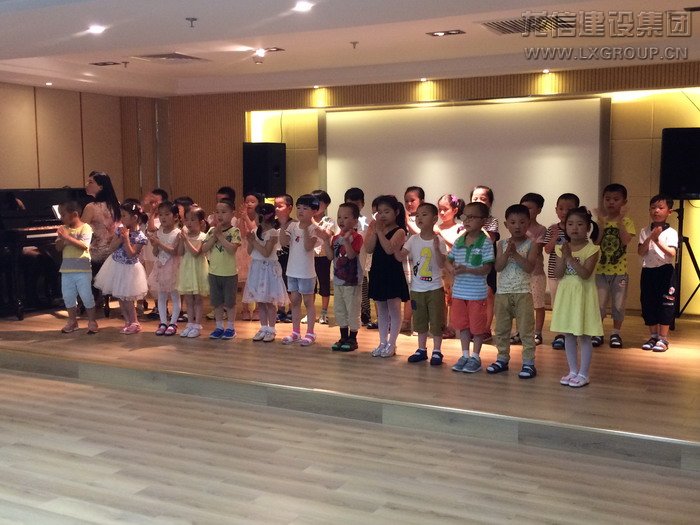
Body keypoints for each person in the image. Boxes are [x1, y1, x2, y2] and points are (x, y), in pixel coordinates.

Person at [551, 207, 603, 388]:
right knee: (569, 334)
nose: (574, 228)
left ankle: (584, 373)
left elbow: (585, 274)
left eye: (580, 224)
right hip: (566, 295)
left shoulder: (592, 249)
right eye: (570, 224)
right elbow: (558, 274)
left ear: (588, 227)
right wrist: (563, 255)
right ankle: (573, 370)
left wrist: (570, 257)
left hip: (583, 295)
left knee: (584, 336)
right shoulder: (561, 248)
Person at [488, 204, 539, 379]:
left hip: (523, 293)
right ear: (506, 224)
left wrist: (515, 254)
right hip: (502, 293)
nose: (517, 226)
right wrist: (507, 252)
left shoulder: (532, 244)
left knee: (526, 330)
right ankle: (502, 359)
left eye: (522, 222)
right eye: (513, 222)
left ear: (528, 223)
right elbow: (498, 267)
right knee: (501, 329)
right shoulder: (501, 243)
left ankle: (529, 363)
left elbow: (529, 267)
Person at [448, 202, 495, 373]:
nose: (467, 220)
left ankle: (475, 357)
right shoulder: (459, 241)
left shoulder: (486, 243)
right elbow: (448, 259)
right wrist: (451, 269)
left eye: (472, 217)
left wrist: (467, 269)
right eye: (465, 216)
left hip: (476, 294)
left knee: (477, 327)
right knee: (463, 325)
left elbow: (487, 268)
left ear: (483, 221)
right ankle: (465, 355)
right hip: (459, 292)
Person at [401, 203, 447, 365]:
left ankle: (437, 351)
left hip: (435, 288)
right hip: (417, 289)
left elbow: (442, 264)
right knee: (419, 321)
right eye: (417, 215)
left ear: (434, 219)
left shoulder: (439, 240)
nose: (419, 218)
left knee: (436, 321)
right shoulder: (413, 239)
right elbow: (400, 255)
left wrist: (437, 249)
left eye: (424, 214)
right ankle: (421, 349)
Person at [93, 202, 149, 334]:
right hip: (116, 266)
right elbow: (111, 248)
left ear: (134, 218)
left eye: (124, 216)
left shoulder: (140, 237)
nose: (121, 219)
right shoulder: (120, 230)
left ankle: (135, 322)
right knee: (120, 296)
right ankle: (127, 321)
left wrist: (126, 239)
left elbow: (131, 254)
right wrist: (120, 238)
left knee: (127, 297)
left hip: (129, 269)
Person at [366, 195, 410, 358]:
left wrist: (378, 231)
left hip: (392, 272)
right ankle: (382, 342)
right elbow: (368, 248)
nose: (382, 215)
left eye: (387, 211)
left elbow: (389, 249)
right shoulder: (376, 227)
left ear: (396, 212)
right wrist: (373, 230)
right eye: (379, 212)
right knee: (381, 310)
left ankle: (392, 343)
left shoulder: (400, 231)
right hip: (377, 271)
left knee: (394, 309)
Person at [594, 183, 636, 348]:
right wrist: (601, 223)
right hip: (601, 270)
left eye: (616, 199)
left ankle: (615, 333)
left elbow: (625, 241)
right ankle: (597, 333)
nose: (611, 202)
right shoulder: (600, 221)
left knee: (618, 305)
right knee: (599, 305)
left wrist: (619, 222)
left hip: (620, 272)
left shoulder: (627, 221)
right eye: (607, 199)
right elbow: (596, 242)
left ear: (624, 202)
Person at [243, 203, 288, 343]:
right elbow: (249, 252)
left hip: (268, 269)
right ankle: (263, 327)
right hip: (257, 267)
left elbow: (266, 252)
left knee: (269, 301)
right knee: (260, 301)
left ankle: (271, 329)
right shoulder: (256, 231)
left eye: (256, 215)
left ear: (264, 216)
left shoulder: (273, 233)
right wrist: (250, 241)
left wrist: (253, 241)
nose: (254, 218)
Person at [280, 194, 322, 346]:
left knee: (309, 302)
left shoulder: (315, 229)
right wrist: (283, 225)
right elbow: (284, 242)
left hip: (306, 272)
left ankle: (310, 332)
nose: (300, 211)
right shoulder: (292, 226)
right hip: (292, 270)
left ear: (314, 211)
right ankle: (295, 331)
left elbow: (308, 247)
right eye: (298, 208)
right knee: (295, 302)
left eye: (305, 208)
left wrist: (305, 228)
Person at [638, 195, 678, 352]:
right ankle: (653, 336)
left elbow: (671, 253)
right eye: (653, 207)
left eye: (661, 208)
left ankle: (663, 338)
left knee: (666, 304)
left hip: (665, 272)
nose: (656, 211)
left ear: (669, 211)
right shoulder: (644, 231)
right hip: (648, 271)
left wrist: (656, 240)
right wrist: (650, 237)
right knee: (648, 303)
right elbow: (641, 252)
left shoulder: (672, 232)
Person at [323, 202, 363, 351]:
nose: (341, 220)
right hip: (338, 281)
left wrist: (346, 241)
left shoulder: (357, 237)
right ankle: (343, 336)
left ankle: (353, 338)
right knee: (339, 309)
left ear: (355, 220)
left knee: (352, 310)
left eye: (346, 217)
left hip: (352, 282)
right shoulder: (335, 238)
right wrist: (325, 240)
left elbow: (352, 255)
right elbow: (329, 257)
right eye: (339, 217)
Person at [543, 193, 580, 349]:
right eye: (561, 208)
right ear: (556, 209)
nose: (564, 212)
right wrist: (555, 237)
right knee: (557, 303)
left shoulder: (578, 228)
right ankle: (560, 333)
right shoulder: (552, 229)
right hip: (554, 273)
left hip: (572, 274)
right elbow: (547, 249)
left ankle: (572, 332)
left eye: (569, 209)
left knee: (572, 303)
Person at [55, 201, 98, 334]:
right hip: (67, 269)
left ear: (74, 214)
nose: (61, 218)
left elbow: (84, 245)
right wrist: (62, 239)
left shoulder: (85, 228)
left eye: (63, 214)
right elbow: (58, 248)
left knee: (86, 295)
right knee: (68, 296)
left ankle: (92, 321)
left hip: (82, 269)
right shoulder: (64, 229)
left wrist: (67, 237)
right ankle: (72, 321)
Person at [202, 199, 241, 340]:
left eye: (224, 212)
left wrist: (220, 236)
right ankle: (219, 327)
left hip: (229, 273)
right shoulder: (211, 230)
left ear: (232, 214)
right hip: (214, 272)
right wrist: (215, 236)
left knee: (230, 303)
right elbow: (204, 248)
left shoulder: (235, 231)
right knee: (217, 302)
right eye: (217, 212)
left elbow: (232, 250)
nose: (220, 215)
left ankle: (230, 328)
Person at [82, 171, 120, 309]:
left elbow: (81, 231)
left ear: (101, 187)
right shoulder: (116, 204)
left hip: (99, 252)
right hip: (116, 249)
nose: (86, 184)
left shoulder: (91, 207)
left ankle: (89, 297)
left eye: (91, 182)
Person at [146, 201, 182, 336]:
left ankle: (173, 322)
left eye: (167, 214)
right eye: (160, 215)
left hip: (173, 267)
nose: (163, 217)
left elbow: (174, 251)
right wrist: (155, 244)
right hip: (160, 267)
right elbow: (155, 253)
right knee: (161, 295)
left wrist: (159, 243)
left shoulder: (178, 233)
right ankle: (163, 322)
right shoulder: (158, 232)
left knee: (175, 295)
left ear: (175, 216)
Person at [469, 185, 499, 342]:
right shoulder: (467, 221)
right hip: (471, 262)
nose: (479, 201)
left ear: (490, 203)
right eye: (475, 198)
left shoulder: (492, 221)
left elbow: (489, 240)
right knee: (473, 295)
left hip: (487, 262)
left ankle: (486, 328)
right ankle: (474, 326)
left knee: (488, 294)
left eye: (483, 199)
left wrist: (478, 225)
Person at [517, 192, 547, 345]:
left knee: (538, 304)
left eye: (530, 208)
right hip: (519, 272)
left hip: (536, 273)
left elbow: (538, 248)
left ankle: (537, 332)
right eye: (523, 207)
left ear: (539, 210)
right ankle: (520, 331)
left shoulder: (541, 229)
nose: (526, 211)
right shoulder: (517, 227)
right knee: (520, 304)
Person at [176, 206, 209, 338]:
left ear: (201, 222)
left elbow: (196, 253)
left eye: (193, 220)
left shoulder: (203, 236)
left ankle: (197, 325)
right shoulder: (184, 236)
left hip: (198, 268)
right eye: (187, 220)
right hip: (186, 269)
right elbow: (180, 252)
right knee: (189, 299)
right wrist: (181, 240)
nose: (189, 223)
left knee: (198, 299)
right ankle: (190, 324)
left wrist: (186, 240)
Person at [436, 193, 465, 339]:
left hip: (453, 266)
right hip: (439, 266)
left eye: (445, 209)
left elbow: (456, 245)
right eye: (439, 209)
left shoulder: (460, 228)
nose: (441, 212)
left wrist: (440, 233)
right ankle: (441, 326)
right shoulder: (436, 227)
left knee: (452, 297)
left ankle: (452, 326)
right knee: (440, 296)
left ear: (455, 210)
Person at [344, 187, 373, 327]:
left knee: (362, 288)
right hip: (346, 261)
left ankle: (365, 314)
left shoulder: (365, 221)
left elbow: (365, 240)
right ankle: (348, 315)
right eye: (350, 203)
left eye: (356, 203)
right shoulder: (343, 220)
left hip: (361, 259)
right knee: (348, 290)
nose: (354, 207)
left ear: (362, 204)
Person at [309, 189, 337, 325]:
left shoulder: (329, 221)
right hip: (309, 256)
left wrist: (312, 222)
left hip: (324, 256)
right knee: (310, 285)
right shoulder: (307, 220)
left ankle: (324, 313)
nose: (316, 205)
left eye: (319, 202)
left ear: (326, 205)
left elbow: (326, 235)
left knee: (324, 284)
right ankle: (310, 312)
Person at [401, 186, 425, 332]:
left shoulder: (423, 218)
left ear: (421, 201)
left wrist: (407, 221)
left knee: (417, 291)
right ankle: (406, 320)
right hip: (405, 260)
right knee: (408, 291)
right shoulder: (404, 219)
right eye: (406, 201)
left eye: (412, 200)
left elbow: (420, 234)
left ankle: (418, 323)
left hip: (420, 260)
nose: (409, 204)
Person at [239, 191, 263, 321]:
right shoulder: (240, 219)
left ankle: (258, 309)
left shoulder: (260, 218)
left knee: (258, 281)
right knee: (244, 283)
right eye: (247, 201)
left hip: (256, 251)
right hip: (244, 252)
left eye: (252, 202)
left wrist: (246, 218)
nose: (249, 204)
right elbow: (242, 234)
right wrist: (242, 218)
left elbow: (254, 231)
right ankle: (245, 309)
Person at [274, 193, 295, 323]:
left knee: (290, 285)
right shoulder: (272, 224)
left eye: (280, 206)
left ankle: (292, 310)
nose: (276, 208)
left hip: (290, 259)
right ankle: (280, 309)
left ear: (289, 208)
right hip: (276, 259)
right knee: (279, 283)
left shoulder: (294, 224)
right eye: (275, 206)